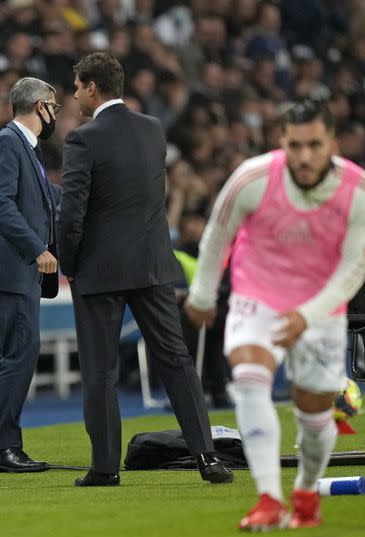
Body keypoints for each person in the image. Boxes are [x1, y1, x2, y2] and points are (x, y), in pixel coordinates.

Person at [185, 100, 365, 531]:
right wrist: (202, 294)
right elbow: (218, 233)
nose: (305, 156)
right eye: (295, 145)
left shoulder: (361, 189)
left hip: (322, 305)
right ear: (282, 143)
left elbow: (354, 268)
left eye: (315, 144)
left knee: (314, 417)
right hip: (257, 294)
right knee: (250, 378)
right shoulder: (252, 178)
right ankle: (269, 499)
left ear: (332, 142)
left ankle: (307, 490)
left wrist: (308, 315)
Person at [56, 52, 233, 487]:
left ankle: (104, 468)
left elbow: (71, 213)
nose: (75, 95)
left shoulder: (82, 139)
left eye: (77, 87)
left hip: (99, 270)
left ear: (92, 87)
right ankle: (207, 458)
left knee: (100, 371)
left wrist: (70, 265)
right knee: (176, 360)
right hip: (152, 263)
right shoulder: (153, 131)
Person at [0, 77, 60, 473]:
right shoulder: (8, 143)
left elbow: (35, 200)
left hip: (14, 269)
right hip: (10, 268)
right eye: (53, 107)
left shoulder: (24, 147)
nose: (55, 115)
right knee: (18, 354)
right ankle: (0, 449)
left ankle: (3, 445)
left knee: (19, 353)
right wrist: (36, 248)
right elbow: (0, 205)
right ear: (39, 105)